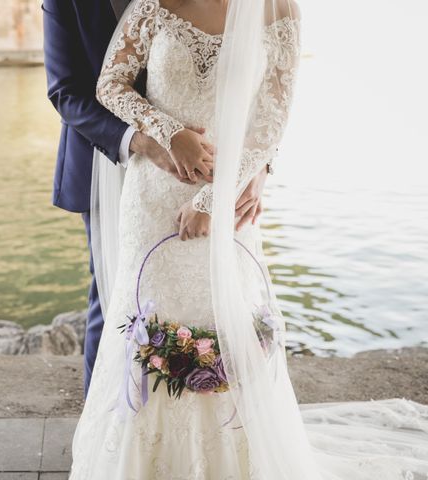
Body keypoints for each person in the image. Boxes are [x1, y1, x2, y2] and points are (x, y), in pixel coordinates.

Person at [68, 0, 428, 478]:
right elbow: (109, 85)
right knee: (149, 318)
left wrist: (214, 200)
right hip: (153, 192)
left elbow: (271, 120)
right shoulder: (154, 4)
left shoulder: (278, 9)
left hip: (229, 196)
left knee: (224, 318)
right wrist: (168, 131)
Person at [42, 0, 269, 398]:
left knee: (206, 298)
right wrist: (144, 141)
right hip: (107, 158)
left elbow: (257, 90)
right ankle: (105, 433)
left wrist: (259, 170)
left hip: (204, 167)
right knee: (114, 295)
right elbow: (65, 90)